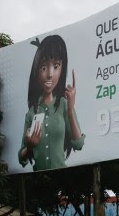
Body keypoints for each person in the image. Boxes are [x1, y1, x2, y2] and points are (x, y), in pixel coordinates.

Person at [18, 35, 85, 171]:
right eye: (43, 67)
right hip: (39, 180)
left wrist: (71, 111)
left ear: (62, 68)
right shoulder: (31, 113)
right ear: (36, 71)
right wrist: (30, 146)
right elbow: (21, 158)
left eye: (56, 66)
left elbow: (79, 144)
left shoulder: (64, 105)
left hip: (62, 178)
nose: (49, 74)